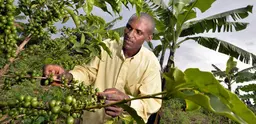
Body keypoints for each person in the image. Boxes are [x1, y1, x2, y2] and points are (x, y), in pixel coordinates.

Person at [43, 13, 162, 124]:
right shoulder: (108, 46)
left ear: (149, 37)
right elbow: (89, 72)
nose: (130, 35)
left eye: (138, 32)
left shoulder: (151, 64)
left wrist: (127, 103)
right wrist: (69, 76)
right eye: (129, 28)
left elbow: (151, 103)